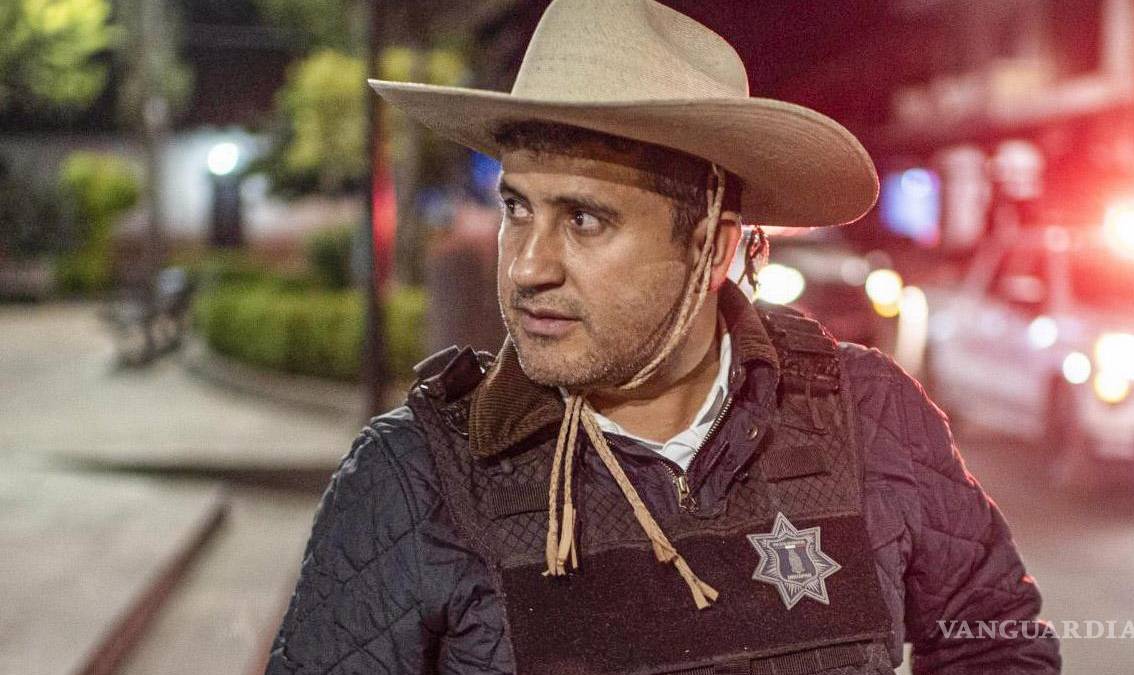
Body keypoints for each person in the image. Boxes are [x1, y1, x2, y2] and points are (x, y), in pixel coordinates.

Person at [267, 0, 1061, 673]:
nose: (528, 266)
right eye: (517, 208)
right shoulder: (413, 479)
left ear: (712, 247)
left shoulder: (869, 415)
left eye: (584, 219)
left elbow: (998, 641)